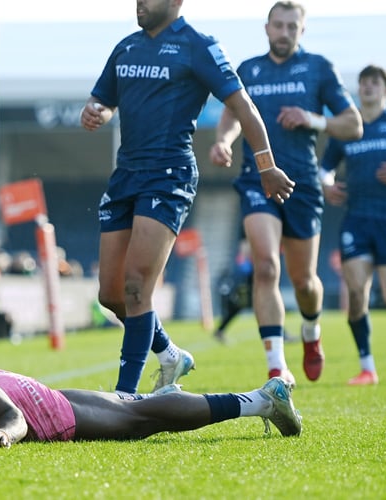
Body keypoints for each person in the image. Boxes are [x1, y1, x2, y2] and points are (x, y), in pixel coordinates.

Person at [81, 0, 294, 396]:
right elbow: (104, 102)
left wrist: (266, 165)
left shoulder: (199, 45)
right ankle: (169, 355)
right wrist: (96, 112)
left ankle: (126, 397)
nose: (140, 3)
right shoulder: (126, 46)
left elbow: (242, 105)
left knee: (136, 287)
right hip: (125, 174)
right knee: (111, 296)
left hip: (168, 176)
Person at [0, 294, 302, 449]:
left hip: (13, 398)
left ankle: (262, 399)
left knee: (135, 425)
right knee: (122, 408)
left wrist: (0, 438)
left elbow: (12, 420)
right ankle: (165, 392)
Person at [209, 1, 362, 384]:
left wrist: (312, 118)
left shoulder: (318, 68)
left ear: (302, 30)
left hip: (303, 185)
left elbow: (353, 124)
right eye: (278, 25)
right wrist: (224, 141)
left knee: (305, 282)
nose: (284, 32)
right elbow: (231, 114)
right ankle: (277, 365)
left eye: (292, 26)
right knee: (265, 266)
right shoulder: (249, 71)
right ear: (266, 28)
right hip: (257, 180)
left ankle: (311, 332)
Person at [320, 65, 386, 385]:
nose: (367, 87)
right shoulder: (349, 126)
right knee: (356, 293)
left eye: (374, 83)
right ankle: (367, 368)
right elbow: (324, 168)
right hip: (356, 220)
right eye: (363, 82)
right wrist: (328, 183)